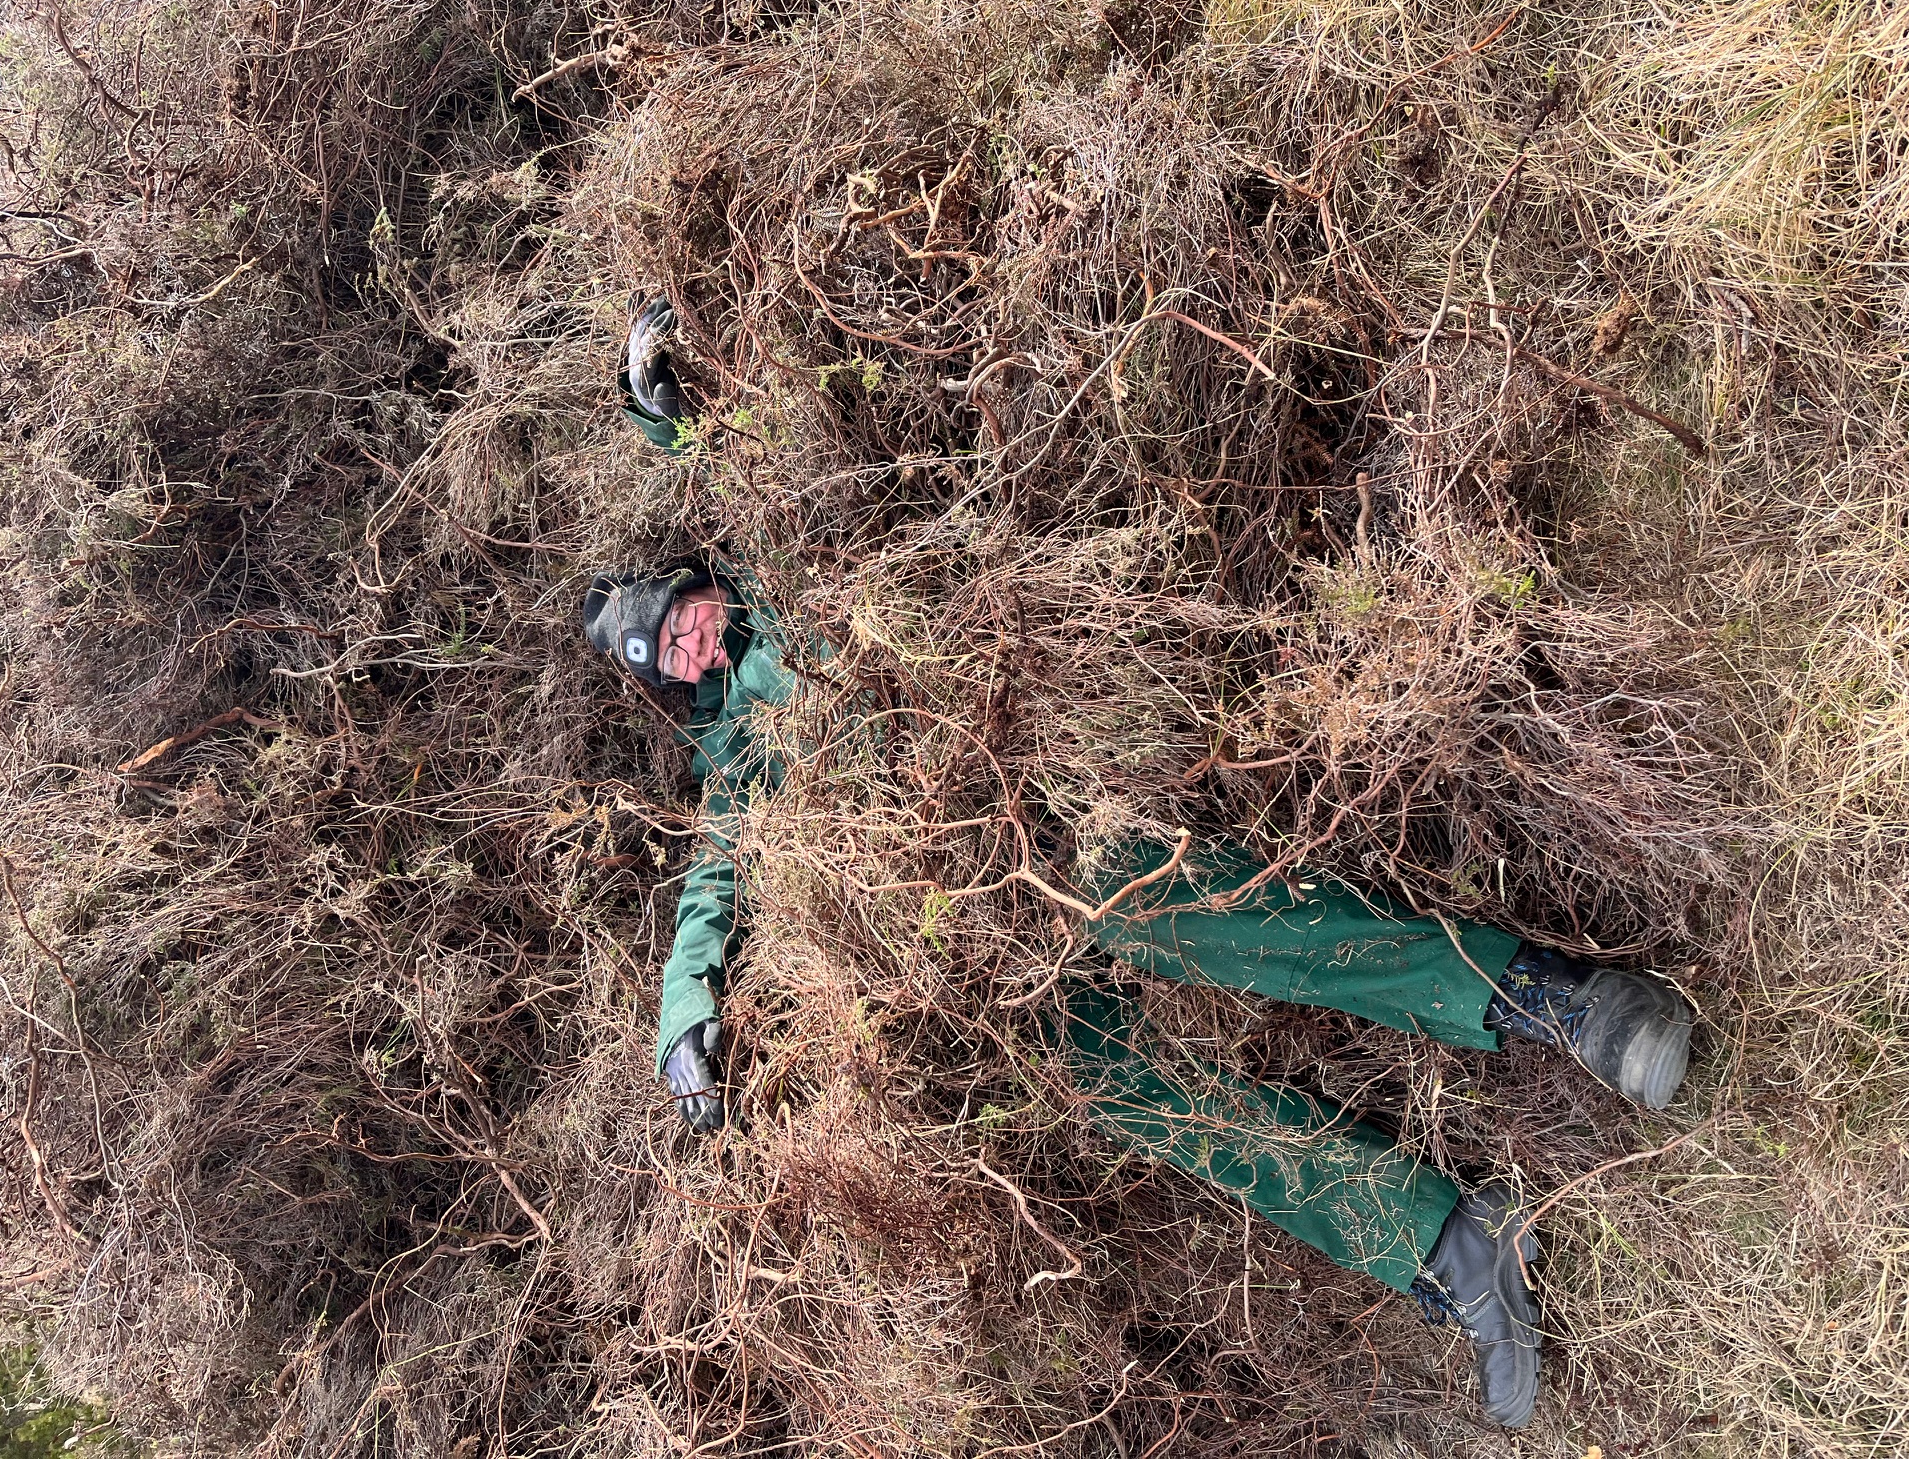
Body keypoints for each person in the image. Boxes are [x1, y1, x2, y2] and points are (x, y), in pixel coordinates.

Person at [581, 300, 1698, 1430]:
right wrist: (684, 1022)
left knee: (1250, 924)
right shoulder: (737, 763)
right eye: (672, 659)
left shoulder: (788, 587)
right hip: (987, 939)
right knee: (1131, 1091)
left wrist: (668, 418)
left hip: (1043, 819)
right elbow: (711, 890)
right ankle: (1453, 1246)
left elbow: (762, 474)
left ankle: (1566, 1002)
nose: (695, 648)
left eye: (685, 619)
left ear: (699, 582)